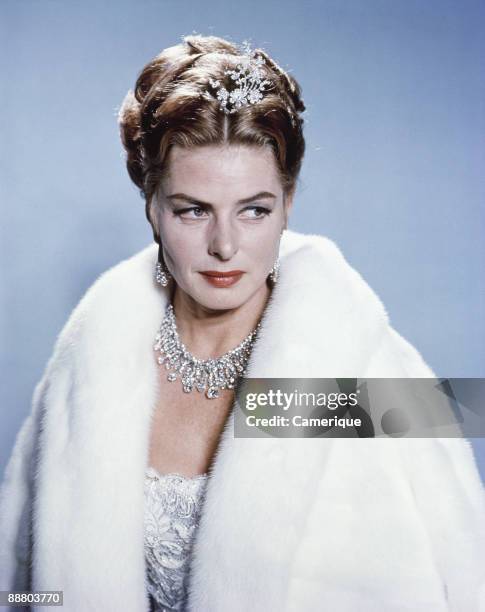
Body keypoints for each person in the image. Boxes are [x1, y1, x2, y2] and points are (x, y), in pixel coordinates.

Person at [1, 34, 484, 612]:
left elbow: (467, 574)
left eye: (254, 209)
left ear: (288, 204)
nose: (225, 245)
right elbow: (22, 584)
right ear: (152, 208)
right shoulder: (89, 363)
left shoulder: (357, 369)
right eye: (193, 210)